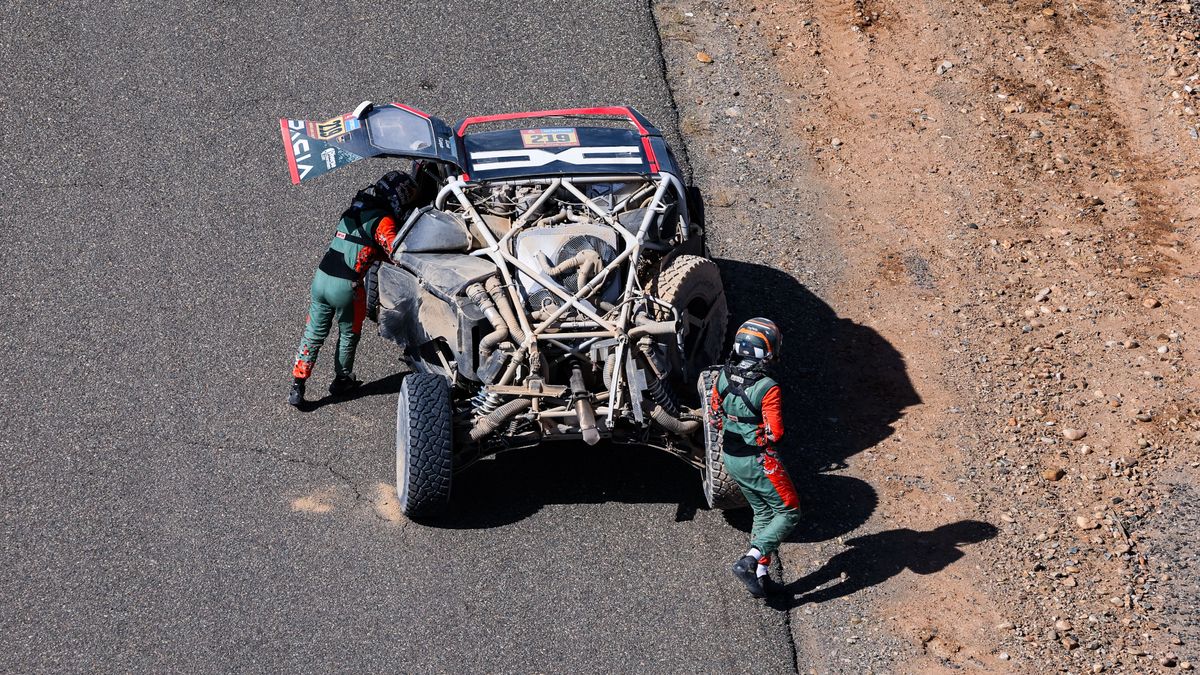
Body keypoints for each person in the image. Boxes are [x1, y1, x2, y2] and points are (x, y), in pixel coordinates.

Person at [288, 171, 416, 406]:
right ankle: (342, 379)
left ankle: (298, 384)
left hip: (321, 278)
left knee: (314, 333)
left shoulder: (354, 209)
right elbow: (397, 254)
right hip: (348, 287)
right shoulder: (383, 221)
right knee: (348, 334)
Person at [709, 317, 801, 598]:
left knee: (762, 511)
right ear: (770, 350)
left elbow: (715, 417)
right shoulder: (768, 386)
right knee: (789, 512)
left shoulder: (722, 376)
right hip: (758, 460)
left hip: (730, 457)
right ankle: (750, 560)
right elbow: (775, 432)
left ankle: (761, 576)